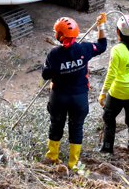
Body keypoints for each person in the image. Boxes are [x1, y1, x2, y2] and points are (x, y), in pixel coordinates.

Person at [42, 13, 108, 168]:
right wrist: (101, 26)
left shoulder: (53, 54)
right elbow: (102, 45)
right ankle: (73, 163)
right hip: (79, 97)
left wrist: (51, 67)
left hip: (59, 96)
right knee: (76, 127)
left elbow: (45, 76)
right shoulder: (85, 48)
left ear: (60, 35)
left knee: (56, 125)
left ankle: (52, 157)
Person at [99, 15, 129, 155]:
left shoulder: (117, 50)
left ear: (118, 32)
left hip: (117, 93)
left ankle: (107, 149)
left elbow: (111, 75)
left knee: (108, 119)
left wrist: (103, 93)